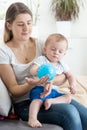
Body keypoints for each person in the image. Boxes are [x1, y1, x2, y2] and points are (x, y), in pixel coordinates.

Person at [0, 2, 87, 130]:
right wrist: (34, 83)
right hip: (26, 103)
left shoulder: (42, 44)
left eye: (29, 23)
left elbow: (63, 75)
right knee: (70, 113)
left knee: (85, 115)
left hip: (51, 92)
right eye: (20, 24)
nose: (26, 28)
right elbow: (14, 90)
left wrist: (48, 81)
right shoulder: (3, 52)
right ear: (9, 25)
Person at [27, 33, 76, 127]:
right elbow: (32, 70)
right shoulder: (42, 60)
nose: (56, 52)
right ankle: (32, 118)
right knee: (37, 100)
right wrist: (39, 72)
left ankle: (51, 101)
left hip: (53, 91)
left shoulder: (62, 64)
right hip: (40, 88)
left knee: (68, 98)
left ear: (64, 54)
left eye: (60, 51)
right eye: (53, 49)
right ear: (45, 50)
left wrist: (72, 85)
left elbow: (70, 75)